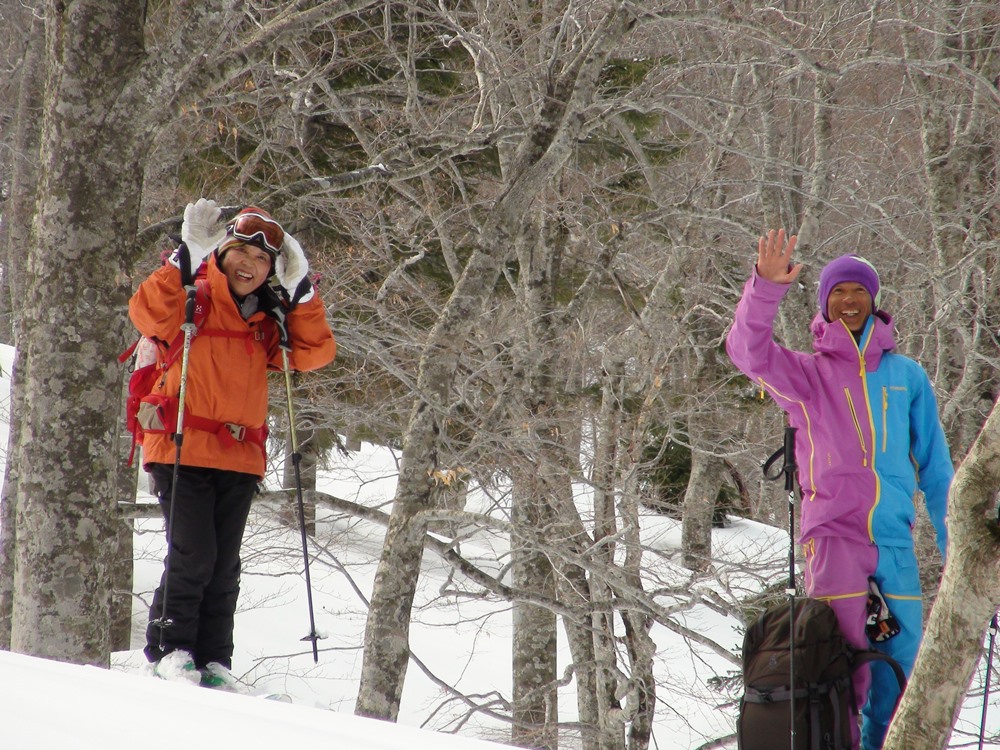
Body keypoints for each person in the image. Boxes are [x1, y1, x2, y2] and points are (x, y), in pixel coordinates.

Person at [725, 229, 953, 750]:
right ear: (825, 304)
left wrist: (958, 545)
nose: (849, 301)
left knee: (903, 663)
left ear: (874, 300)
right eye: (838, 293)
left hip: (893, 537)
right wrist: (765, 288)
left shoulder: (907, 376)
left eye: (858, 291)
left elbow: (937, 469)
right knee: (841, 663)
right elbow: (746, 352)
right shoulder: (806, 376)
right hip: (832, 537)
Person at [130, 199, 336, 688]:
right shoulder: (192, 296)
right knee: (193, 554)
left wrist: (301, 291)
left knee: (223, 564)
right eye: (241, 251)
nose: (251, 264)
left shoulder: (269, 320)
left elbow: (315, 353)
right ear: (222, 254)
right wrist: (186, 254)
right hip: (180, 446)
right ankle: (170, 650)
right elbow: (145, 312)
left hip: (240, 458)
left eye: (263, 260)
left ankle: (214, 661)